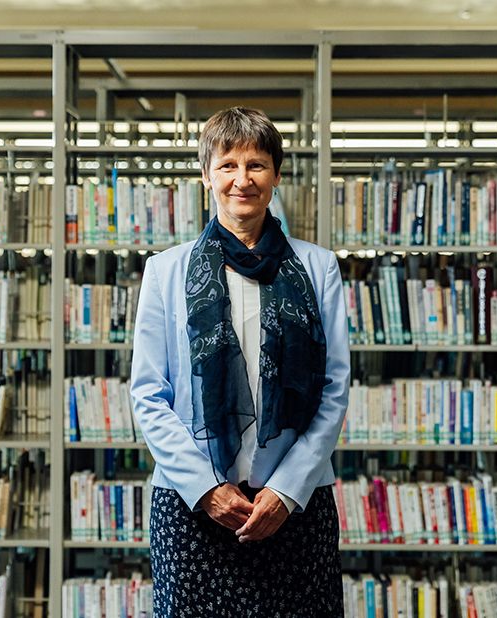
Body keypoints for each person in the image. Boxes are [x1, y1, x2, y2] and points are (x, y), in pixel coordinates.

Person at [130, 106, 350, 617]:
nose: (242, 179)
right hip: (193, 507)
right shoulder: (166, 271)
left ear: (276, 175)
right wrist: (205, 488)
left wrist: (285, 490)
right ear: (206, 176)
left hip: (293, 506)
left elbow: (333, 388)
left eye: (256, 165)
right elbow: (148, 393)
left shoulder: (318, 267)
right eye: (227, 165)